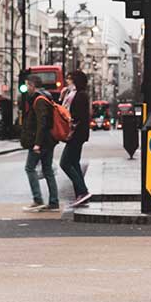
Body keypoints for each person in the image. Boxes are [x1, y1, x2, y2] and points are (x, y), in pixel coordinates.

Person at [21, 75, 60, 212]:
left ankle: (38, 200)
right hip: (48, 140)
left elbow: (42, 123)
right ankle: (54, 202)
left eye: (27, 86)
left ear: (32, 85)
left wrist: (37, 143)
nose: (26, 89)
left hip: (41, 141)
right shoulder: (46, 97)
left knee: (29, 168)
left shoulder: (39, 100)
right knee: (47, 170)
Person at [59, 70, 91, 207]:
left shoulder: (81, 96)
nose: (67, 81)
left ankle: (83, 191)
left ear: (76, 81)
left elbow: (76, 116)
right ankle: (80, 194)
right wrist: (61, 97)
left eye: (70, 79)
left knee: (65, 163)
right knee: (74, 163)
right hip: (75, 134)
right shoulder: (71, 95)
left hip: (76, 134)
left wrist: (71, 130)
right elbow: (62, 111)